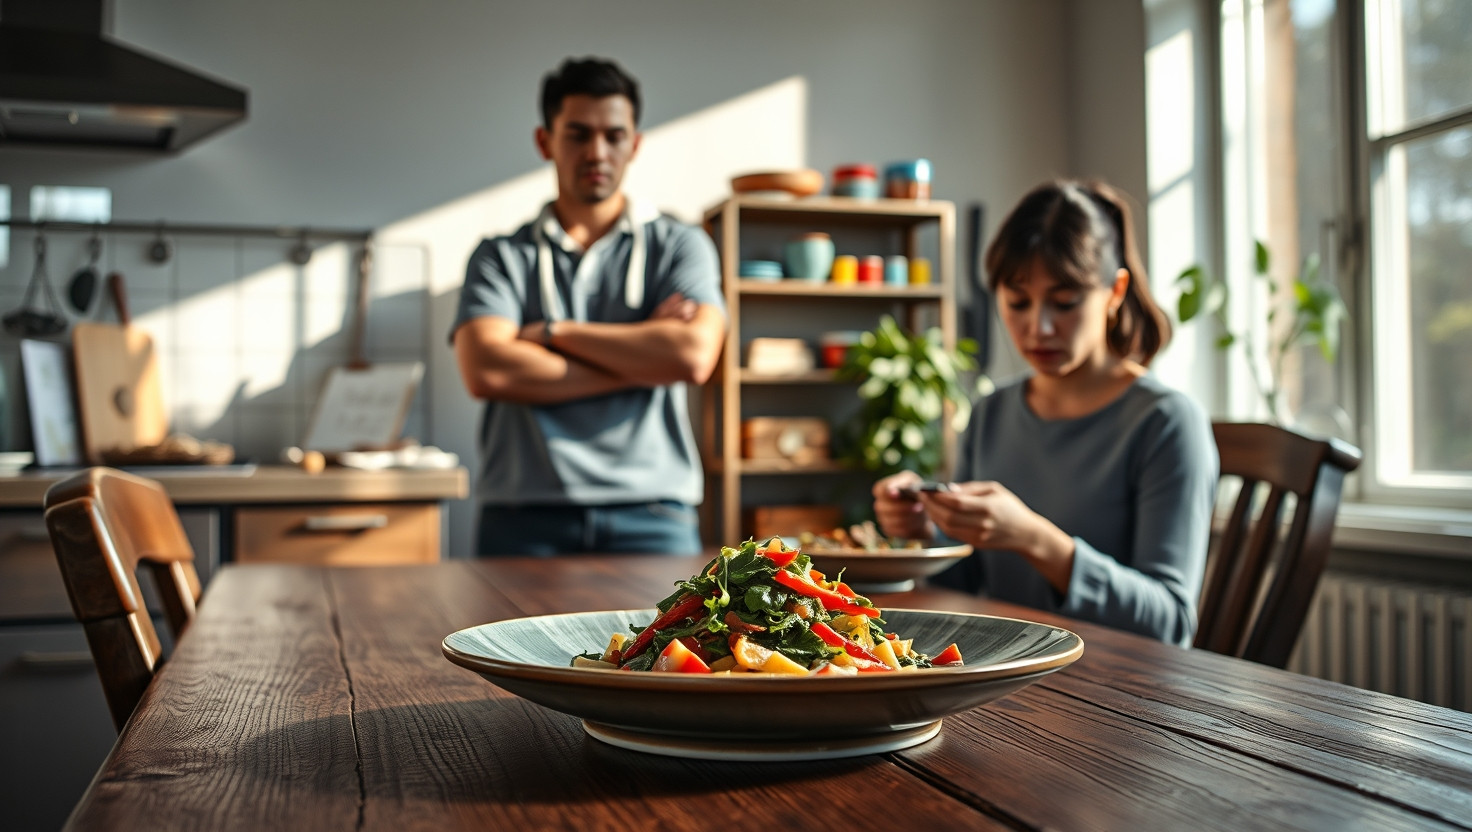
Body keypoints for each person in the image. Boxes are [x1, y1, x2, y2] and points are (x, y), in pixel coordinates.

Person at [872, 179, 1218, 646]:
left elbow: (1169, 623)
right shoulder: (991, 414)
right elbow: (963, 585)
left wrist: (1033, 538)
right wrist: (925, 531)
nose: (1039, 327)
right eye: (1018, 302)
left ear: (1115, 291)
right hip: (1005, 670)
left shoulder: (1167, 423)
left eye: (1065, 302)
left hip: (1114, 679)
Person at [450, 57, 726, 556]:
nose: (597, 152)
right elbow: (487, 370)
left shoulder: (680, 245)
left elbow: (691, 356)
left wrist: (552, 333)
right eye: (578, 135)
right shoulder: (500, 255)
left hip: (655, 516)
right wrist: (644, 361)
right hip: (523, 518)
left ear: (634, 144)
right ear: (545, 142)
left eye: (614, 136)